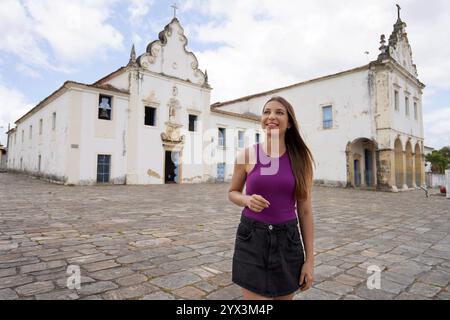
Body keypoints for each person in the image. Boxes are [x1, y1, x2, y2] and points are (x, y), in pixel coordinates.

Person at [228, 96, 315, 300]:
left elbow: (305, 210)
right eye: (267, 112)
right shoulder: (247, 155)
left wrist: (309, 261)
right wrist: (246, 200)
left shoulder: (301, 159)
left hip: (288, 241)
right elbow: (232, 192)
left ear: (290, 122)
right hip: (252, 239)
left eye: (279, 112)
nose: (271, 116)